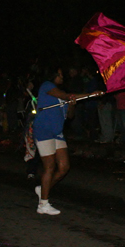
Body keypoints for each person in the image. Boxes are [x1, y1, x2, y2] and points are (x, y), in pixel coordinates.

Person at [32, 67, 100, 215]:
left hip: (57, 132)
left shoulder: (62, 95)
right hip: (44, 130)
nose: (63, 76)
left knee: (64, 167)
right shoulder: (47, 86)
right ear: (54, 75)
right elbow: (65, 95)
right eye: (61, 74)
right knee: (49, 167)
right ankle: (43, 204)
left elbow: (70, 116)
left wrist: (72, 105)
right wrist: (90, 94)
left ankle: (43, 188)